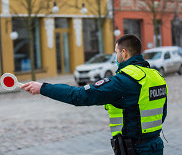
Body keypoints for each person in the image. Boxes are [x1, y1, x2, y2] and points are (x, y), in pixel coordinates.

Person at [21, 34, 167, 155]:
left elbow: (79, 95)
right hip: (155, 146)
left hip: (135, 150)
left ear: (124, 53)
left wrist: (43, 88)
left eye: (116, 52)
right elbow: (162, 114)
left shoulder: (123, 81)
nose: (116, 56)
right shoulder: (156, 76)